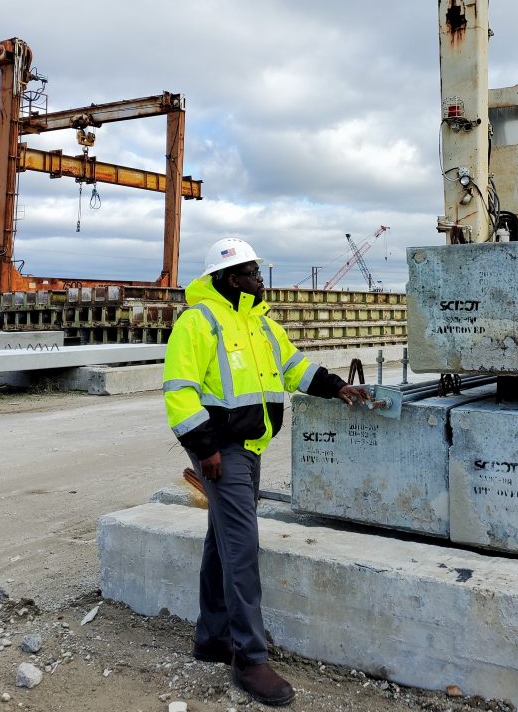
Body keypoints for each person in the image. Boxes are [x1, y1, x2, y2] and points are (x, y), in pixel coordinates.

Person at [163, 237, 369, 706]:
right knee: (242, 549)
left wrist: (337, 387)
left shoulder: (261, 325)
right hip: (221, 451)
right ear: (229, 278)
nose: (260, 279)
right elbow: (179, 389)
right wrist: (205, 448)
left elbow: (295, 368)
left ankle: (212, 637)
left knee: (222, 540)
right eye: (252, 273)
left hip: (251, 448)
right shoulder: (198, 322)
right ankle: (250, 659)